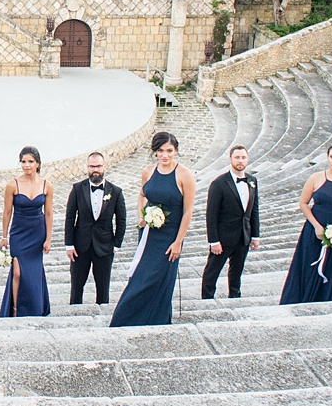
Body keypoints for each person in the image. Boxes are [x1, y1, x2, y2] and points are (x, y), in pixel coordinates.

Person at [110, 131, 196, 327]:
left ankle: (157, 319)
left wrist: (178, 242)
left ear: (176, 151)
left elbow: (188, 211)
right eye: (160, 151)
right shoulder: (148, 171)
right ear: (154, 152)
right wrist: (142, 216)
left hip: (170, 238)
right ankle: (126, 320)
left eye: (169, 151)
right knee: (140, 278)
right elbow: (142, 195)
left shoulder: (184, 175)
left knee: (159, 280)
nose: (165, 155)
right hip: (148, 235)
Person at [280, 144, 332, 304]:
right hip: (313, 231)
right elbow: (303, 203)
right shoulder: (316, 178)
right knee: (308, 266)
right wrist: (317, 226)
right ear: (327, 158)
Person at [63, 151, 127, 306]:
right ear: (87, 167)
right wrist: (69, 245)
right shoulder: (77, 189)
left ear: (104, 166)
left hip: (104, 247)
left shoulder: (116, 192)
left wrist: (116, 245)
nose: (95, 170)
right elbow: (70, 218)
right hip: (80, 247)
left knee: (103, 289)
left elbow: (121, 220)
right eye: (92, 166)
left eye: (98, 166)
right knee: (76, 288)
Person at [201, 145, 260, 299]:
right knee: (212, 272)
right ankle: (207, 299)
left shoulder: (252, 181)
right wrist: (214, 240)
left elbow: (254, 210)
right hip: (223, 238)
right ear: (230, 159)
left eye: (243, 157)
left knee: (237, 272)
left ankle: (235, 297)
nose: (240, 161)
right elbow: (211, 214)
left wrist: (255, 236)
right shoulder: (219, 183)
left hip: (243, 237)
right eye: (237, 157)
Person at [0, 146, 52, 317]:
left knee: (33, 273)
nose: (26, 165)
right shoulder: (12, 185)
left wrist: (48, 239)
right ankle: (14, 309)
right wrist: (4, 236)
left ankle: (36, 308)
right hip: (19, 233)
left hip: (37, 233)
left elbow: (49, 213)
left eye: (30, 161)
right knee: (17, 272)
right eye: (23, 162)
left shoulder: (46, 185)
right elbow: (7, 212)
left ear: (37, 163)